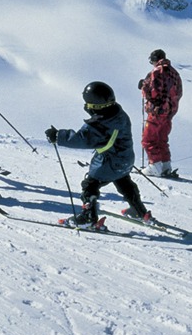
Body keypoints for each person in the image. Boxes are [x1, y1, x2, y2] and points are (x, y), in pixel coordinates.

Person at [45, 81, 152, 229]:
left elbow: (82, 139)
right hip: (125, 158)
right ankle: (139, 211)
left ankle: (88, 217)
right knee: (123, 181)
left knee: (90, 185)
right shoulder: (119, 114)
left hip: (110, 162)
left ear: (95, 106)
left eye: (89, 104)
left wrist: (57, 136)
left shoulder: (99, 125)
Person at [139, 48, 183, 177]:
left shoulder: (157, 71)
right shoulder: (174, 73)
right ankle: (165, 166)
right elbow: (178, 92)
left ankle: (155, 166)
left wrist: (144, 87)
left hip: (157, 111)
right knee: (162, 139)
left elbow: (154, 92)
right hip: (169, 113)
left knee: (149, 139)